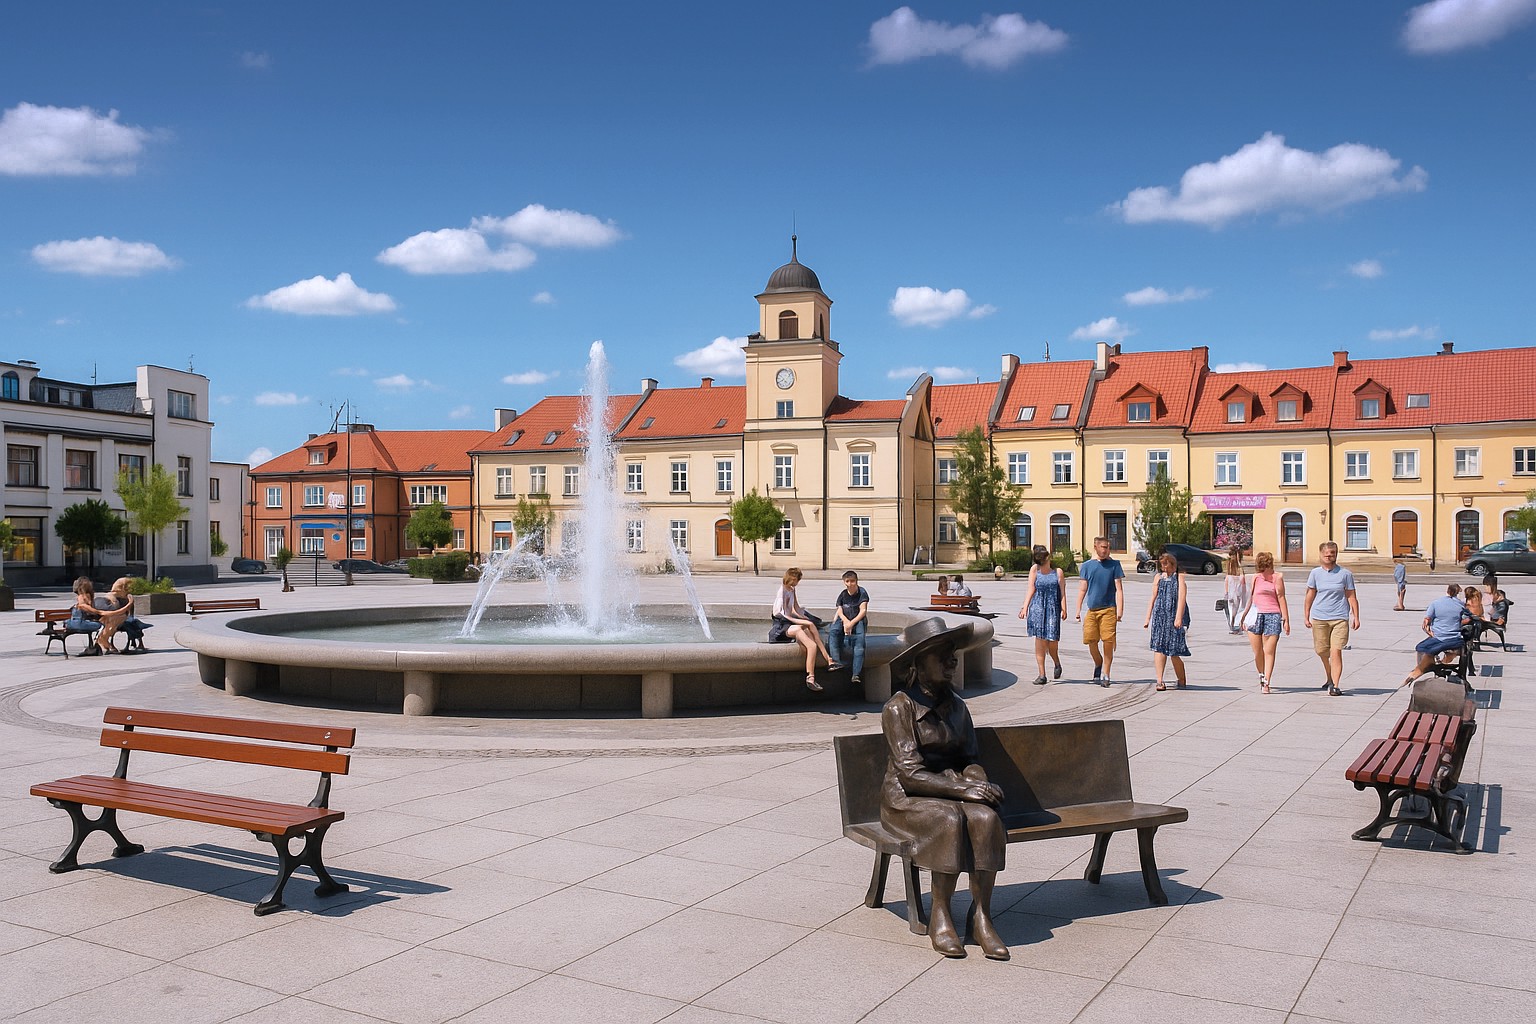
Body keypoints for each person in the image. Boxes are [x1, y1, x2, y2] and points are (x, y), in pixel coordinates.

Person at [880, 617, 1007, 960]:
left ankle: (980, 915)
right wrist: (965, 790)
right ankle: (941, 913)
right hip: (907, 799)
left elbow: (969, 758)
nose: (952, 661)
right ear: (918, 664)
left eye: (953, 655)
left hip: (950, 789)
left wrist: (976, 780)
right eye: (942, 655)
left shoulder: (957, 706)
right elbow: (910, 774)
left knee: (986, 818)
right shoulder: (899, 707)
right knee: (949, 819)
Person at [1303, 542, 1360, 696]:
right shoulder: (1315, 573)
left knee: (1336, 651)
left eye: (1333, 553)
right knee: (1321, 650)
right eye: (1327, 554)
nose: (1330, 556)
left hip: (1340, 617)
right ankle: (1329, 676)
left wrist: (1356, 616)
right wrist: (1306, 614)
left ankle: (1335, 685)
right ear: (1321, 555)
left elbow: (1351, 596)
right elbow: (1310, 595)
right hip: (1319, 617)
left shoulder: (1345, 574)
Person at [769, 567, 838, 691]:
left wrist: (804, 617)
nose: (796, 583)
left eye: (797, 580)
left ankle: (829, 659)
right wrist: (799, 620)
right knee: (811, 645)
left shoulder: (791, 589)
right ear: (789, 578)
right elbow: (781, 613)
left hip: (789, 622)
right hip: (781, 627)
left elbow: (795, 607)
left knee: (810, 625)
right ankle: (810, 677)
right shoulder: (782, 591)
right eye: (795, 580)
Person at [1075, 536, 1125, 687]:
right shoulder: (1087, 566)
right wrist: (1078, 609)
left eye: (1107, 547)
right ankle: (1098, 662)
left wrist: (1120, 610)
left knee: (1108, 641)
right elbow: (1083, 589)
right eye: (1102, 547)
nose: (1105, 550)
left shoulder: (1114, 565)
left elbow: (1119, 589)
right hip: (1092, 609)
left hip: (1109, 609)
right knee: (1090, 640)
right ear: (1095, 547)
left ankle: (1106, 673)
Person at [1143, 552, 1191, 690]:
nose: (1164, 568)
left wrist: (1178, 617)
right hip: (1160, 616)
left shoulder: (1179, 578)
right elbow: (1153, 597)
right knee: (1159, 647)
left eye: (1166, 564)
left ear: (1173, 564)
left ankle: (1181, 678)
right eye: (1162, 565)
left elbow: (1182, 598)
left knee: (1174, 651)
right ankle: (1159, 680)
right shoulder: (1158, 578)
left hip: (1174, 617)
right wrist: (1148, 617)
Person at [1018, 545, 1065, 685]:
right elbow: (1031, 588)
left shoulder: (1057, 572)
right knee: (1040, 641)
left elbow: (1062, 592)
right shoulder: (1035, 570)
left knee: (1052, 643)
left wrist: (1064, 608)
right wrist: (1025, 607)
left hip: (1052, 609)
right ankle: (1042, 674)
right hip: (1038, 607)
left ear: (1048, 557)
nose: (1041, 563)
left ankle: (1056, 662)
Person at [1244, 552, 1289, 693]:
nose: (1263, 571)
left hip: (1273, 615)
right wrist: (1243, 617)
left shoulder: (1277, 577)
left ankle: (1266, 682)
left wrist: (1286, 619)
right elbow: (1250, 598)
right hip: (1256, 615)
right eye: (1261, 568)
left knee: (1268, 651)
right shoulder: (1256, 578)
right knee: (1257, 652)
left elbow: (1281, 597)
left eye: (1266, 567)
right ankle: (1261, 675)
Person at [1405, 584, 1469, 685]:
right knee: (1429, 648)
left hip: (1439, 637)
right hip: (1454, 638)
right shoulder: (1460, 605)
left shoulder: (1436, 603)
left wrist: (1430, 632)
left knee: (1420, 647)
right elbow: (1468, 619)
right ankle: (1426, 667)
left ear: (1447, 591)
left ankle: (1423, 668)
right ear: (1458, 593)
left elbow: (1426, 622)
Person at [830, 570, 870, 686]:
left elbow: (863, 611)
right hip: (844, 618)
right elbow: (840, 609)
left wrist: (851, 624)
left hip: (857, 620)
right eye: (847, 581)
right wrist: (845, 622)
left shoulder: (862, 593)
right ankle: (836, 662)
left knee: (859, 644)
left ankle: (856, 674)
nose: (850, 584)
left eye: (852, 581)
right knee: (833, 632)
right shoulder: (843, 594)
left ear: (856, 582)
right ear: (844, 582)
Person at [70, 577, 125, 656]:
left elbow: (93, 611)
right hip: (80, 622)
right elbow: (95, 611)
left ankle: (98, 645)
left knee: (103, 623)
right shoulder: (85, 599)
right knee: (101, 624)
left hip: (80, 620)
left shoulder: (83, 599)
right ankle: (101, 645)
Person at [102, 577, 151, 652]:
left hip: (119, 619)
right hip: (114, 619)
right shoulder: (112, 597)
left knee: (132, 621)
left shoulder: (126, 597)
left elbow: (131, 614)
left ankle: (137, 642)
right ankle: (136, 642)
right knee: (131, 623)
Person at [1222, 547, 1248, 633]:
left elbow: (1227, 579)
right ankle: (1235, 624)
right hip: (1237, 590)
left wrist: (1226, 592)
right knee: (1238, 608)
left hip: (1232, 590)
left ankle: (1233, 623)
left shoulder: (1229, 566)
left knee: (1232, 607)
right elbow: (1242, 578)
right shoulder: (1237, 567)